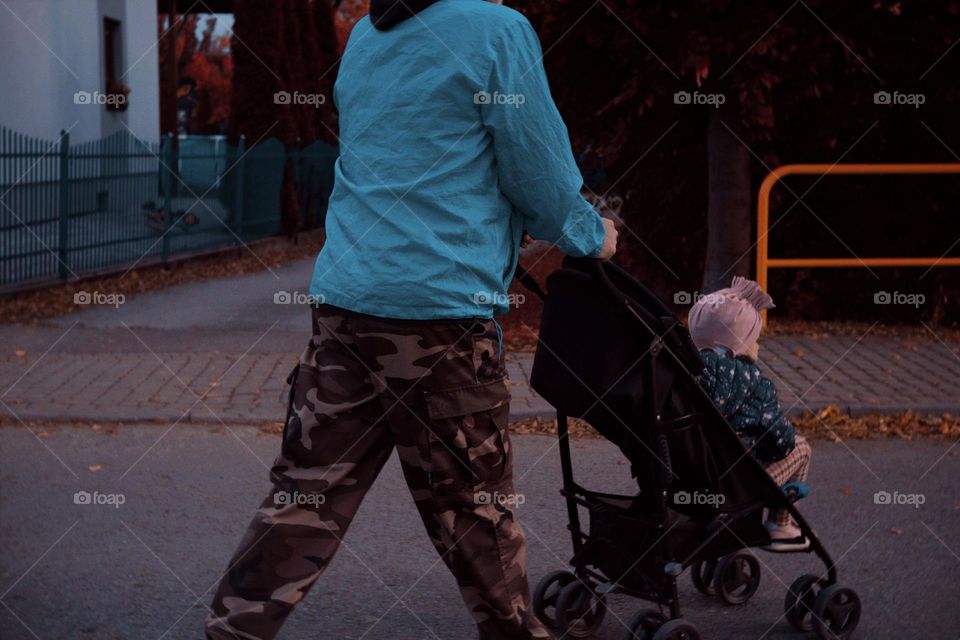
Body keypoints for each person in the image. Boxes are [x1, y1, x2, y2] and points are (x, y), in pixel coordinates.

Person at [204, 0, 618, 638]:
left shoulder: (368, 37)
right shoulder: (497, 31)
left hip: (346, 302)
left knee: (307, 494)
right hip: (438, 314)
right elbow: (538, 172)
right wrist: (593, 236)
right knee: (476, 513)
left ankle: (234, 627)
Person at [688, 277, 811, 551]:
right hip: (734, 487)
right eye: (754, 339)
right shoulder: (753, 382)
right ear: (740, 344)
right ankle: (780, 524)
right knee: (801, 447)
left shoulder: (679, 371)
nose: (757, 346)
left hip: (689, 478)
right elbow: (780, 439)